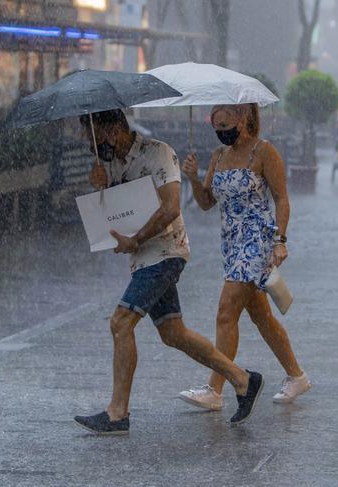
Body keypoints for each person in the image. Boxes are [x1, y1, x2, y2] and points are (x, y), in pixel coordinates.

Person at [73, 109, 264, 435]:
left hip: (165, 253)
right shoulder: (110, 163)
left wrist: (136, 240)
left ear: (116, 127)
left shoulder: (158, 153)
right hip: (142, 258)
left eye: (95, 135)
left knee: (120, 323)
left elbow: (172, 207)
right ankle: (243, 379)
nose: (90, 143)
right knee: (173, 332)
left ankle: (118, 414)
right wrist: (100, 188)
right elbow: (116, 215)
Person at [179, 103, 311, 411]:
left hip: (257, 240)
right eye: (217, 128)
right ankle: (297, 375)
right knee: (261, 316)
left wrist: (280, 240)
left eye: (226, 126)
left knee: (226, 311)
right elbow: (206, 203)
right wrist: (194, 179)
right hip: (231, 241)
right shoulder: (218, 156)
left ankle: (216, 388)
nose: (222, 133)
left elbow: (281, 198)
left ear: (244, 119)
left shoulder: (264, 152)